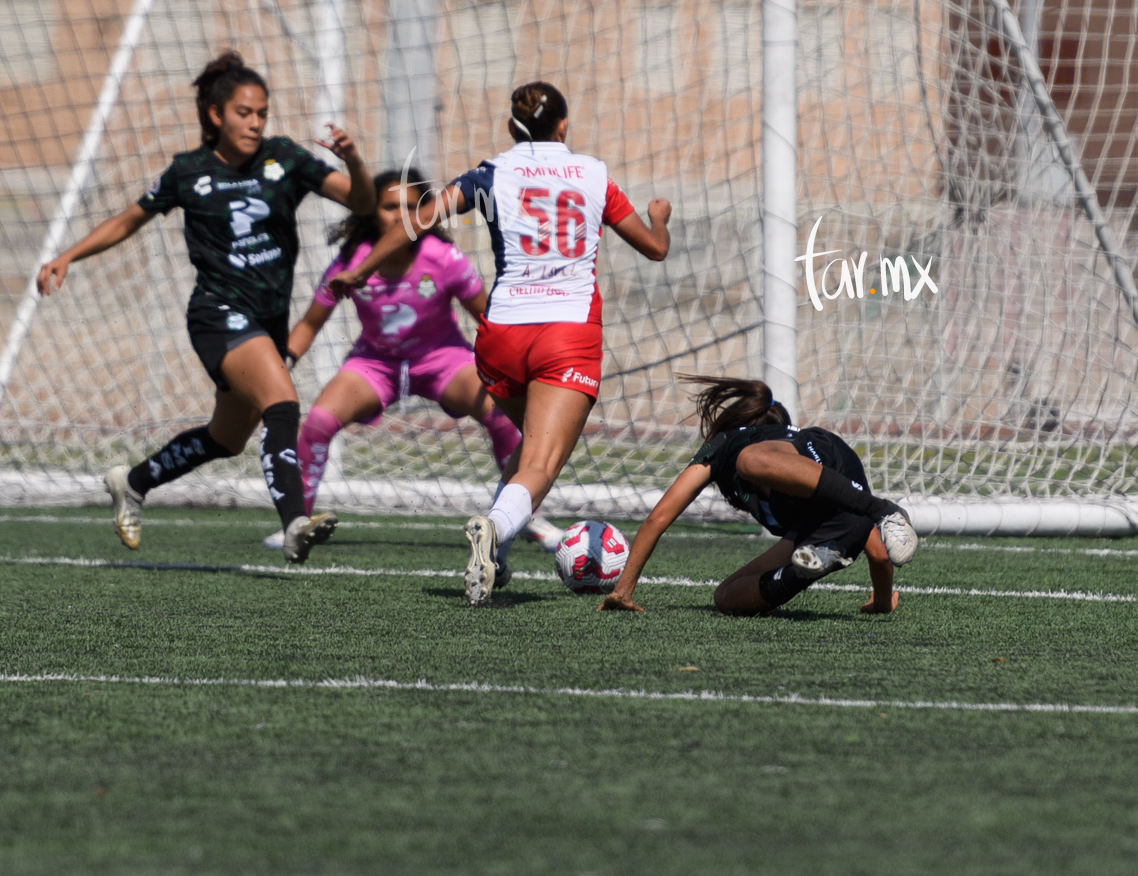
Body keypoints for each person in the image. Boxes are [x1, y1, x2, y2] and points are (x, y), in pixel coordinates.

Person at [329, 80, 671, 606]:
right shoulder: (593, 174)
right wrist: (661, 218)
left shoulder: (492, 173)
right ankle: (492, 528)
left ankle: (498, 557)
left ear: (513, 128)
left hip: (500, 334)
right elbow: (653, 248)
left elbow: (419, 221)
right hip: (566, 333)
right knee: (542, 464)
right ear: (563, 125)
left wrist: (360, 270)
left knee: (529, 447)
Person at [37, 51, 374, 563]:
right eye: (245, 112)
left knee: (227, 438)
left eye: (262, 112)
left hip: (266, 319)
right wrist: (69, 254)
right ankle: (294, 524)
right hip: (217, 315)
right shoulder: (188, 171)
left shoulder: (286, 159)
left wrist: (353, 160)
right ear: (216, 114)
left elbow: (364, 204)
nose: (256, 123)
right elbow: (128, 221)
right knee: (281, 403)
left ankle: (132, 482)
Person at [272, 168, 559, 550]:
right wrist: (280, 366)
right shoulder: (351, 262)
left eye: (411, 207)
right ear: (373, 213)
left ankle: (522, 514)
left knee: (502, 415)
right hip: (375, 364)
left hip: (443, 359)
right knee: (318, 423)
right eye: (390, 207)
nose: (400, 216)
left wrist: (524, 364)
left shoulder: (444, 259)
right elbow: (309, 323)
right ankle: (297, 525)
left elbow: (490, 320)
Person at [598, 375, 919, 616]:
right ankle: (802, 569)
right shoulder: (805, 477)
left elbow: (659, 516)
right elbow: (878, 553)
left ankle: (883, 509)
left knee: (749, 460)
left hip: (836, 470)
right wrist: (881, 601)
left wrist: (623, 590)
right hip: (839, 526)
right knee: (726, 597)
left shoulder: (730, 444)